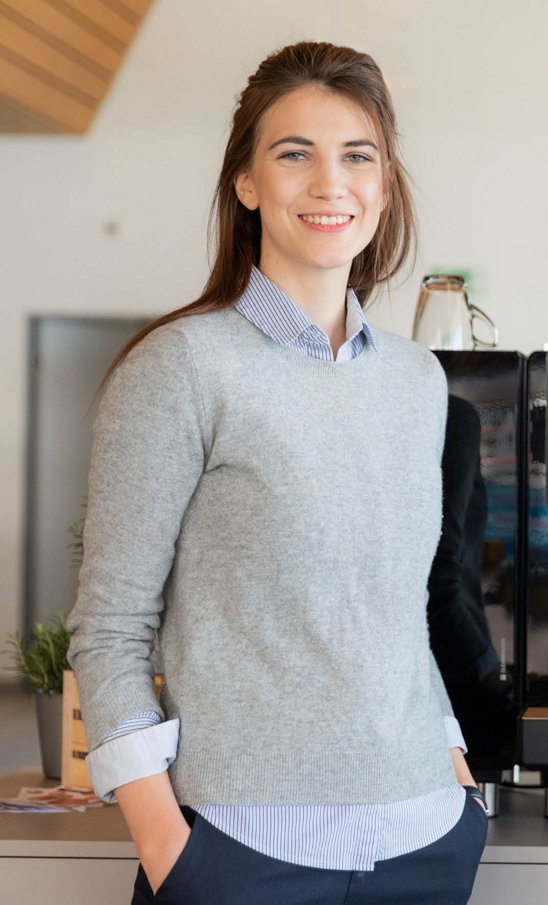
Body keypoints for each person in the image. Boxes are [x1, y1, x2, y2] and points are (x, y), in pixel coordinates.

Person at [67, 42, 487, 904]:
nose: (331, 183)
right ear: (247, 183)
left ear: (385, 184)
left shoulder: (419, 382)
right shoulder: (180, 367)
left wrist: (454, 769)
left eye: (357, 156)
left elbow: (403, 610)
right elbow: (109, 630)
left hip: (425, 842)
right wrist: (171, 849)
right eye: (295, 153)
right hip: (239, 854)